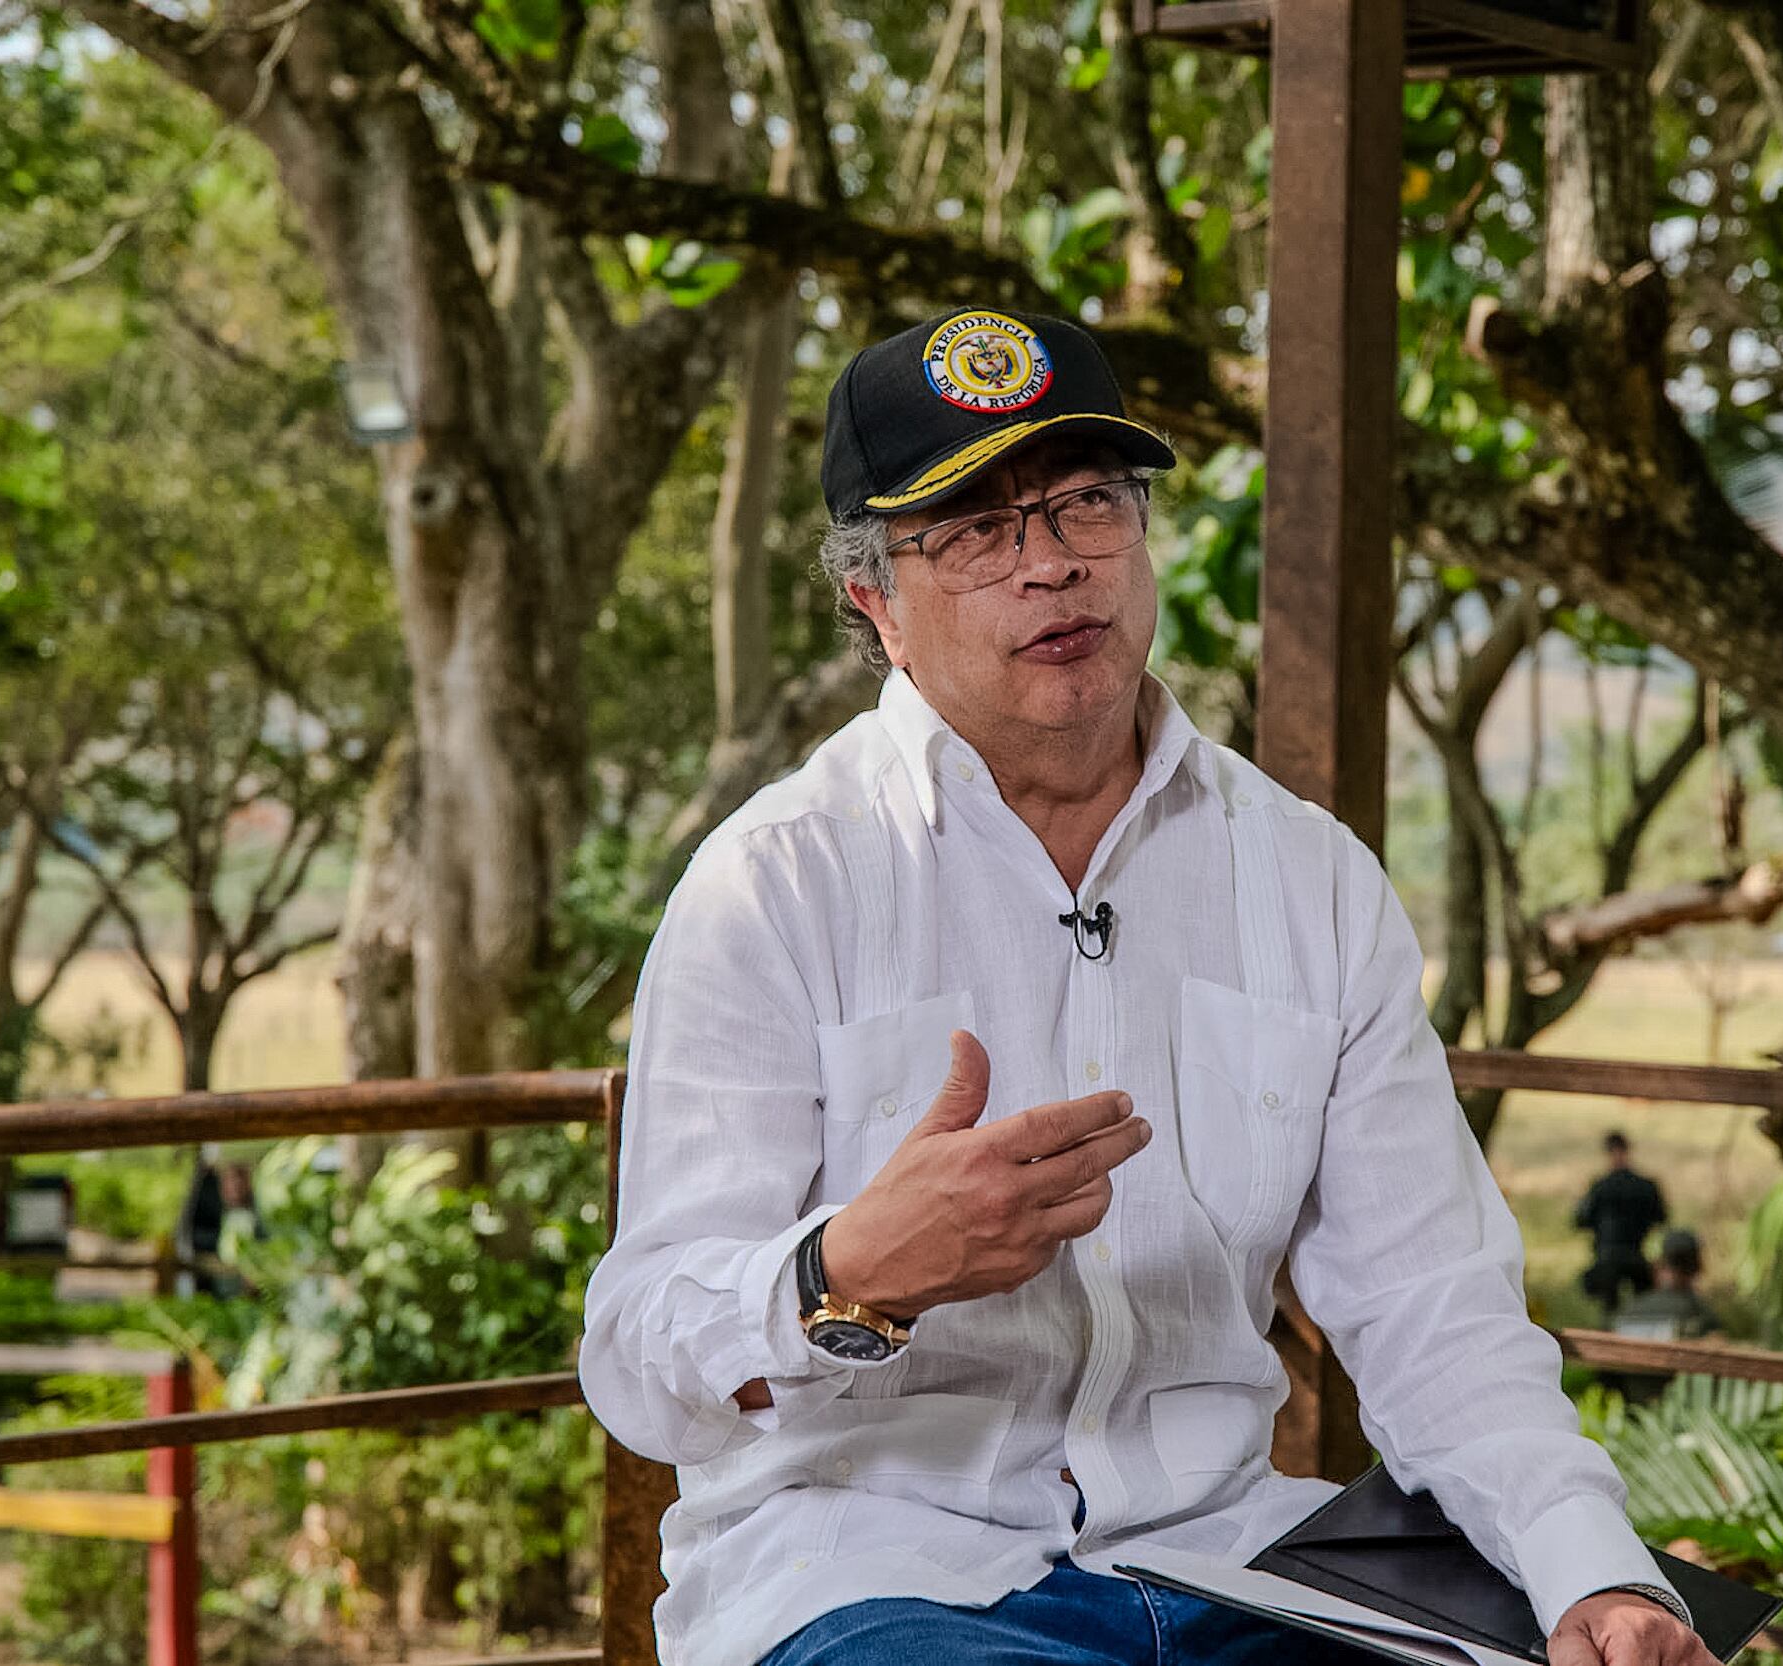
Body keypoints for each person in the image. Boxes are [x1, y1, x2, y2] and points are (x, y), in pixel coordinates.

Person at [579, 307, 1715, 1666]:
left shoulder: (1305, 877)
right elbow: (639, 1350)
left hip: (1232, 1555)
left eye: (1086, 503)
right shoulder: (775, 879)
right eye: (977, 529)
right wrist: (850, 1270)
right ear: (875, 601)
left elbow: (1435, 1308)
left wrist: (1596, 1575)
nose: (1052, 563)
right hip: (877, 1564)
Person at [1602, 1230, 1722, 1407]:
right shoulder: (1700, 1315)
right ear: (1697, 1268)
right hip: (1680, 1410)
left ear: (1659, 1265)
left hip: (1630, 1406)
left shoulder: (1631, 1309)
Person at [1574, 1132, 1666, 1316]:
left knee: (1610, 1309)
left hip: (1609, 1256)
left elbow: (1581, 1220)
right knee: (1642, 1305)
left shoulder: (1600, 1187)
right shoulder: (1646, 1186)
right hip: (1635, 1253)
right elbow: (1660, 1217)